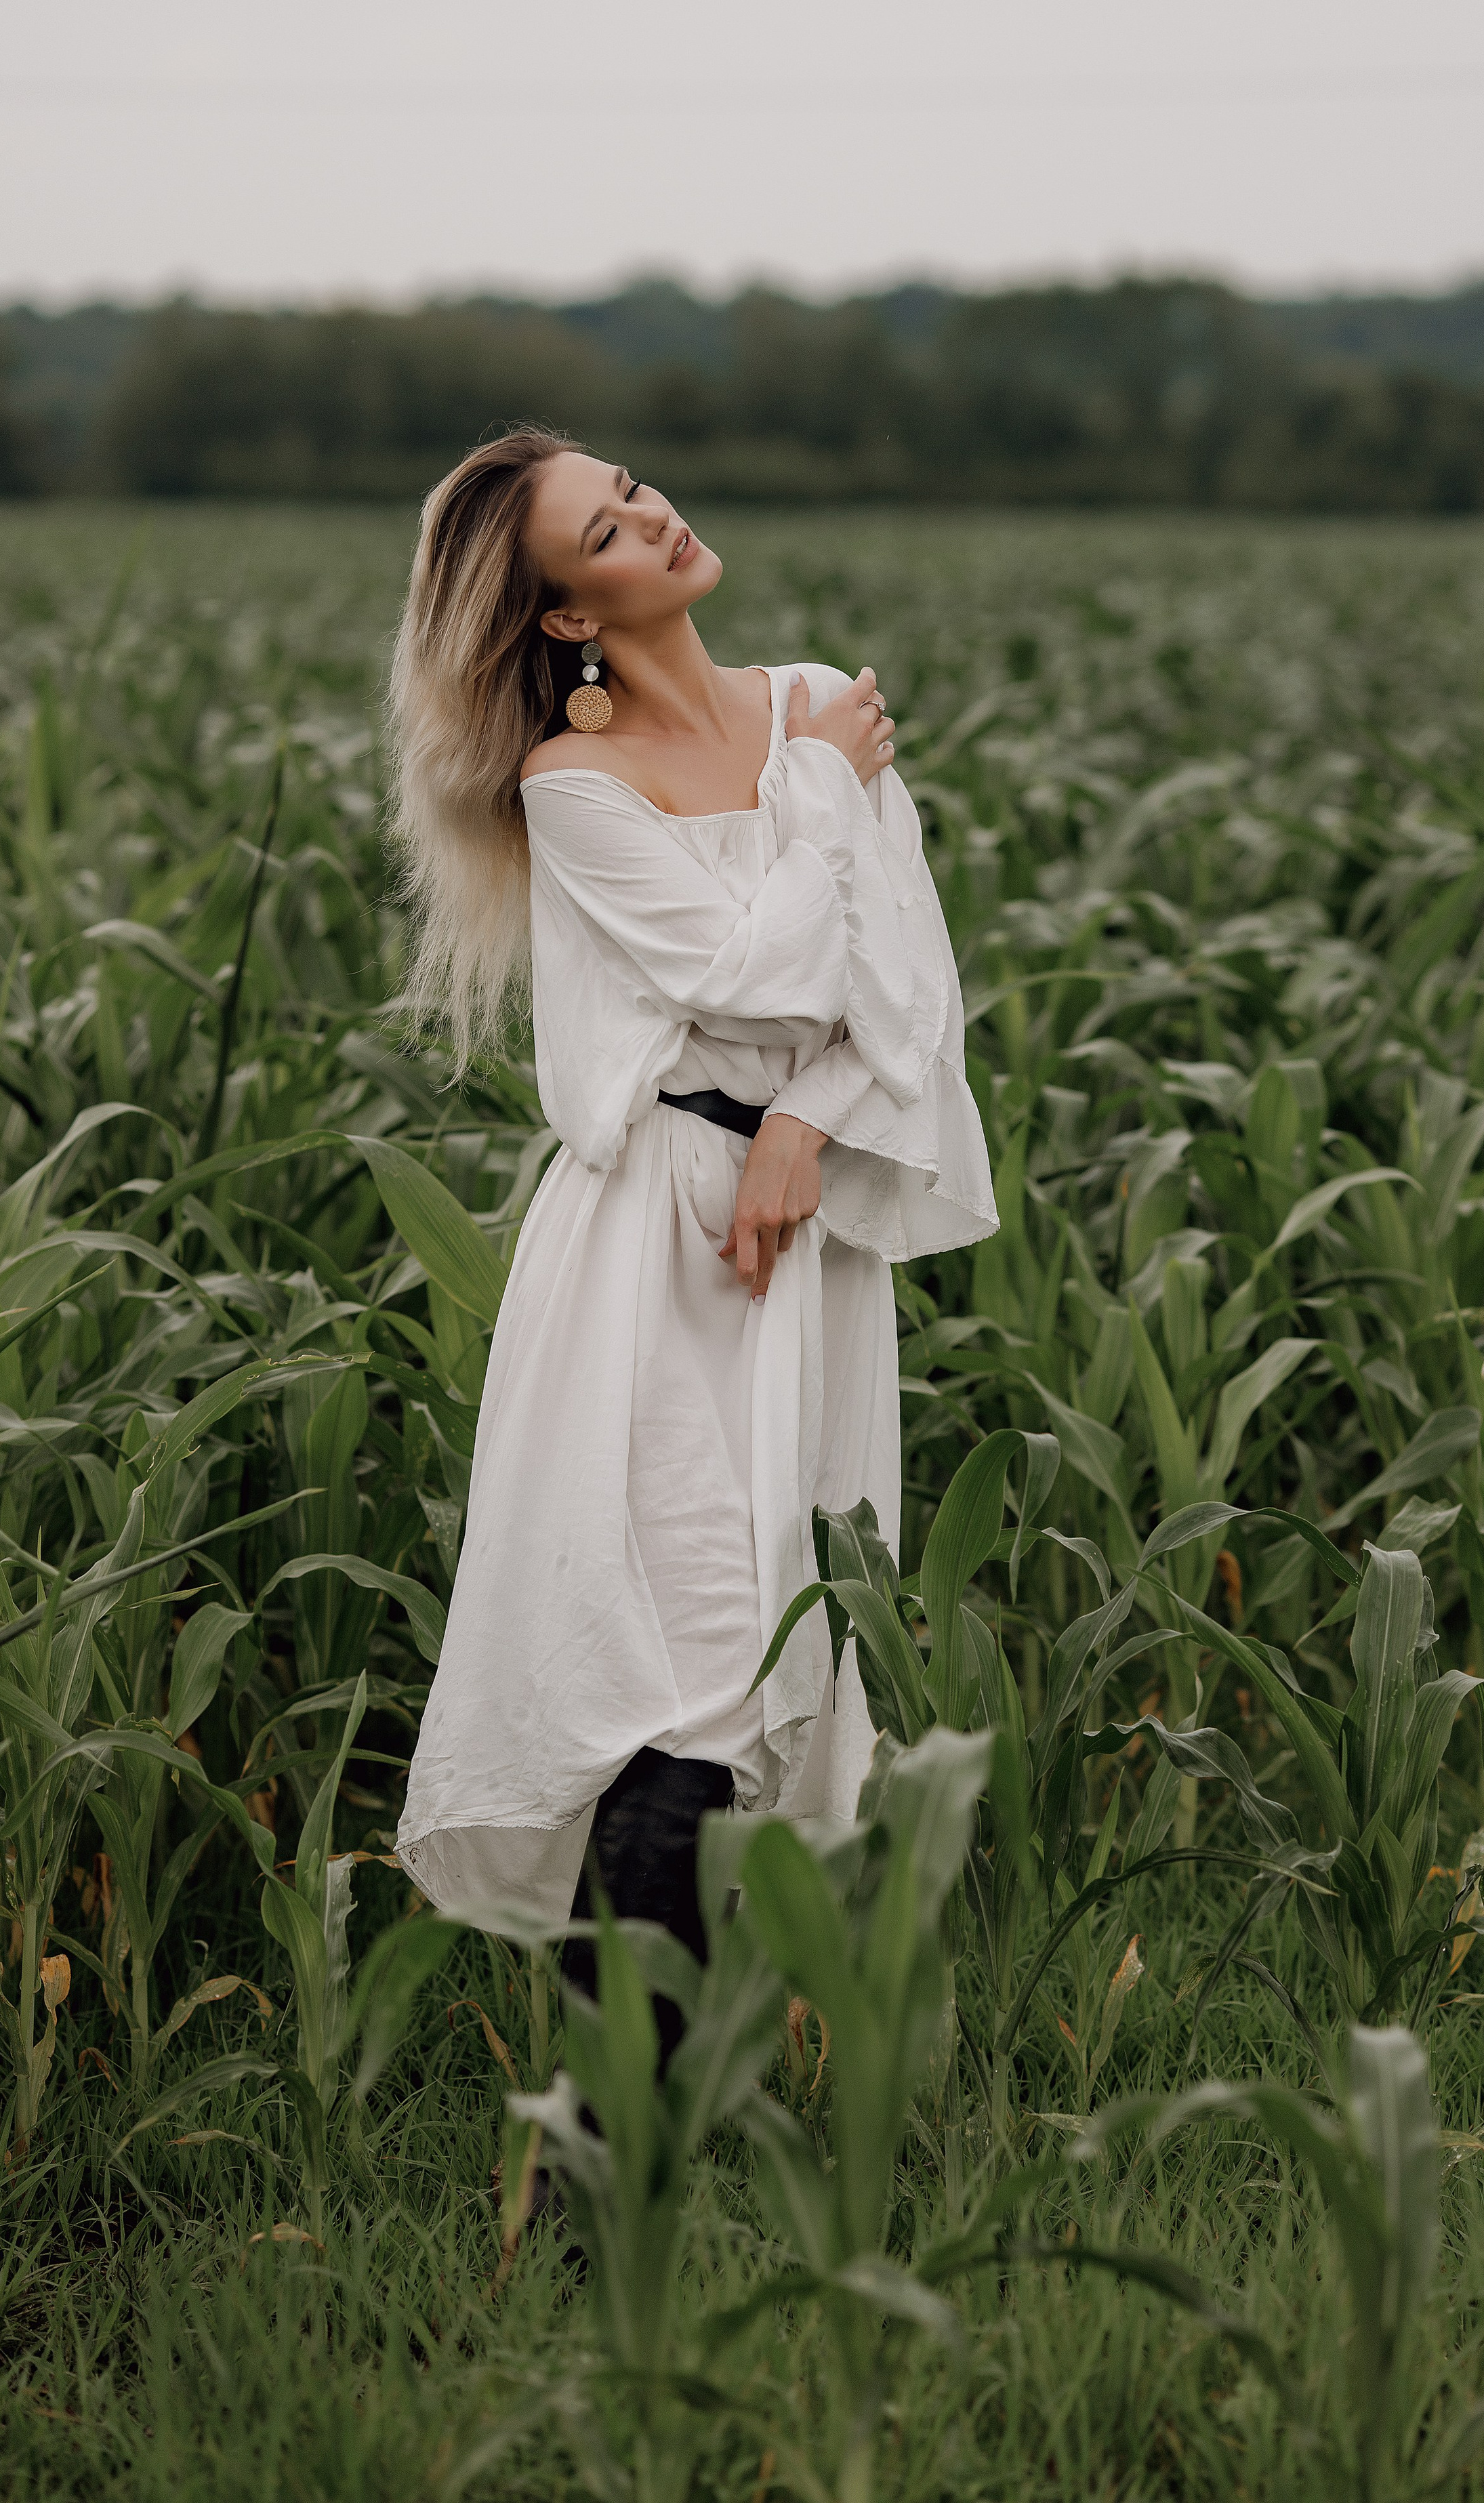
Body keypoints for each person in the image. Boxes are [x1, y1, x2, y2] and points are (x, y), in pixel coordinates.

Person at [388, 428, 995, 2035]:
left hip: (800, 1245)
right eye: (607, 528)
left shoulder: (809, 704)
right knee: (676, 1661)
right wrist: (824, 796)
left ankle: (644, 2126)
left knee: (769, 1646)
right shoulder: (575, 784)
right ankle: (614, 2140)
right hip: (651, 1245)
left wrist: (805, 1123)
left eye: (634, 487)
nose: (653, 517)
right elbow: (758, 982)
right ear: (568, 615)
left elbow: (906, 995)